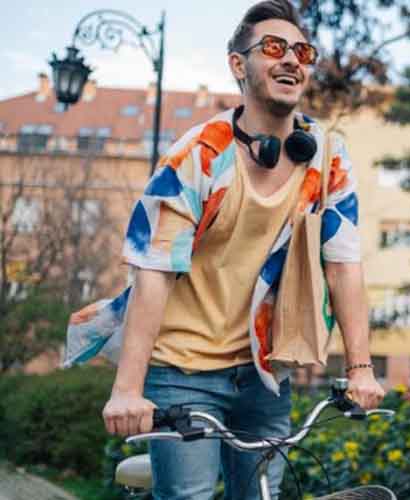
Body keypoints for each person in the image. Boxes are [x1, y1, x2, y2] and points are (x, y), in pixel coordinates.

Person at [63, 1, 384, 498]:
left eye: (302, 51)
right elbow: (154, 270)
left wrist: (360, 369)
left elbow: (344, 265)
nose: (291, 59)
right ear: (238, 64)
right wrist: (127, 390)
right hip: (182, 370)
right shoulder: (199, 155)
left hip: (264, 372)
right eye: (273, 48)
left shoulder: (326, 156)